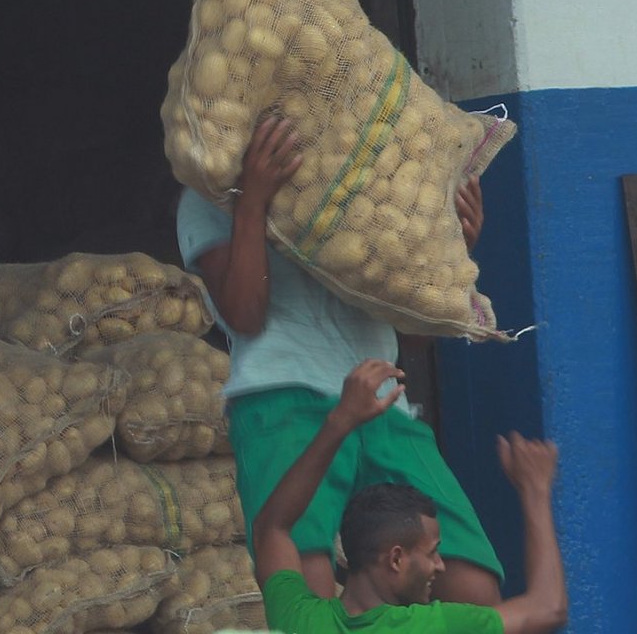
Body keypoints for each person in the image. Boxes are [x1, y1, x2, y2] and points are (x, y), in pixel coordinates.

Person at [176, 116, 499, 602]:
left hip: (382, 403)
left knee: (474, 591)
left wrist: (449, 258)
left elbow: (412, 341)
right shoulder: (209, 195)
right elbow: (244, 314)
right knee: (309, 594)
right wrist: (252, 205)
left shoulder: (372, 189)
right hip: (283, 399)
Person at [254, 359, 567, 633]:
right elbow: (548, 608)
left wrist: (340, 422)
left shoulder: (301, 620)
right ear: (396, 558)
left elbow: (272, 527)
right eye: (432, 553)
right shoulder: (429, 626)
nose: (441, 566)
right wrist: (535, 491)